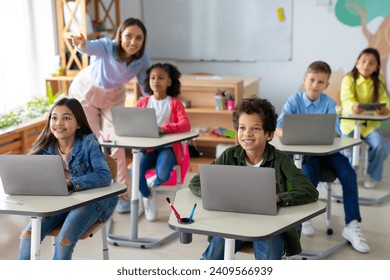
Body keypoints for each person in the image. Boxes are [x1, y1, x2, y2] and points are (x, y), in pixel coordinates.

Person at [189, 97, 318, 260]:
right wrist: (214, 195)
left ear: (269, 134)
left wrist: (278, 198)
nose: (247, 134)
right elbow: (195, 182)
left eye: (255, 128)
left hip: (271, 227)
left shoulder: (281, 160)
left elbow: (309, 191)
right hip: (234, 224)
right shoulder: (229, 155)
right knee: (210, 259)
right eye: (242, 128)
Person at [275, 61, 370, 253]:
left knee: (348, 174)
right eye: (312, 80)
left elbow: (336, 133)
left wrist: (316, 132)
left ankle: (352, 225)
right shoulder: (294, 101)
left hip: (329, 153)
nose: (315, 85)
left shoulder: (329, 103)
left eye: (320, 82)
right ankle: (305, 218)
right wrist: (289, 133)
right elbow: (277, 128)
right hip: (306, 155)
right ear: (305, 80)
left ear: (326, 85)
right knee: (309, 174)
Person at [68, 18, 151, 214]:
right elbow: (89, 47)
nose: (133, 42)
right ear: (120, 35)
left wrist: (157, 103)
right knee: (95, 142)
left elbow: (145, 85)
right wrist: (81, 44)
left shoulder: (142, 59)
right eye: (128, 36)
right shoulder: (107, 46)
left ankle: (122, 194)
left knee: (116, 143)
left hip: (113, 97)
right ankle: (95, 190)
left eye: (138, 38)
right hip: (86, 93)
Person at [18, 97, 117, 260]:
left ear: (78, 123)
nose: (59, 123)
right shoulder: (46, 146)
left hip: (91, 201)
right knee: (28, 235)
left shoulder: (88, 142)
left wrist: (71, 183)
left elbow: (104, 175)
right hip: (60, 202)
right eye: (54, 117)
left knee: (64, 241)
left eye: (66, 118)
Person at [118, 63, 190, 222]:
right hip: (146, 149)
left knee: (163, 173)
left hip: (167, 149)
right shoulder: (143, 102)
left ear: (169, 82)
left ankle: (151, 185)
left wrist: (164, 129)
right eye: (152, 77)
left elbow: (185, 125)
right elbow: (133, 123)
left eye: (161, 78)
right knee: (135, 173)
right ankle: (148, 196)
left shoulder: (175, 103)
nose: (156, 81)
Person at [340, 47, 390, 189]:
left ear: (377, 67)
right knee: (347, 149)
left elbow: (385, 99)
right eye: (363, 61)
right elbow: (346, 99)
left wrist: (386, 108)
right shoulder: (348, 79)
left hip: (369, 126)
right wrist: (353, 107)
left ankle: (371, 174)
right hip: (349, 124)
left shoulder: (379, 80)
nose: (366, 65)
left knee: (379, 145)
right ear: (357, 63)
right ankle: (346, 174)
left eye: (371, 63)